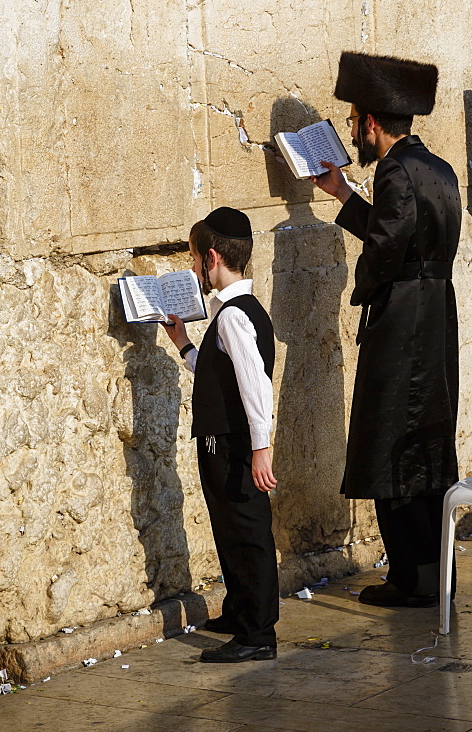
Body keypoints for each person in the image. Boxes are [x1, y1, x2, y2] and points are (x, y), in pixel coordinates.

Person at [312, 53, 461, 608]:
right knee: (423, 439)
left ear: (372, 123)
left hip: (402, 323)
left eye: (353, 122)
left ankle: (409, 580)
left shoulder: (395, 171)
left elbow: (387, 245)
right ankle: (429, 573)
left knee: (388, 441)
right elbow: (405, 230)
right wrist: (343, 195)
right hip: (434, 317)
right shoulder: (437, 168)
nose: (352, 131)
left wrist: (364, 290)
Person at [162, 206, 279, 661]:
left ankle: (257, 635)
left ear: (211, 258)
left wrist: (261, 449)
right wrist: (185, 345)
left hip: (234, 447)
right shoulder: (234, 313)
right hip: (225, 444)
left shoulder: (233, 316)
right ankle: (239, 611)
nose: (193, 269)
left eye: (193, 259)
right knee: (230, 530)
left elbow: (254, 386)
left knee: (247, 534)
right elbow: (219, 377)